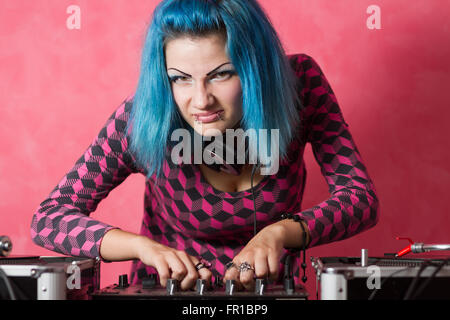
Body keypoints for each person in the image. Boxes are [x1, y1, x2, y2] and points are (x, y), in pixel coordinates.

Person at [30, 0, 379, 292]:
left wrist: (281, 232)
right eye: (180, 78)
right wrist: (142, 248)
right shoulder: (144, 117)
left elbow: (360, 199)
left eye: (221, 74)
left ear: (256, 68)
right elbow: (49, 219)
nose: (200, 101)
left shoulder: (300, 87)